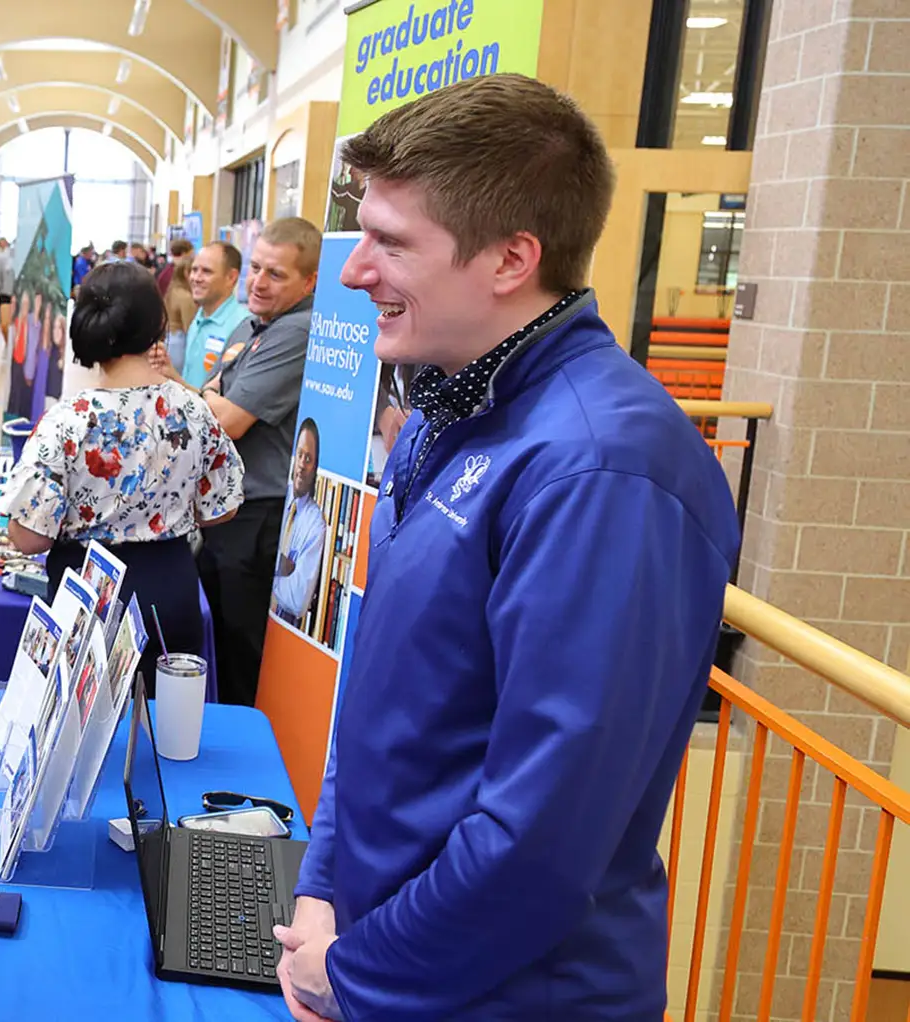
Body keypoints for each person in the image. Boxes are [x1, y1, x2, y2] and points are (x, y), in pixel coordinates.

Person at [271, 75, 740, 1022]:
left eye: (392, 243)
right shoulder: (449, 412)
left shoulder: (604, 473)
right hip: (387, 956)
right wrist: (322, 885)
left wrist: (353, 973)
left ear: (511, 259)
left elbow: (541, 839)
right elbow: (386, 695)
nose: (354, 273)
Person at [0, 261, 243, 680]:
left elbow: (28, 538)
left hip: (87, 594)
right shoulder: (193, 411)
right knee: (164, 714)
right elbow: (223, 507)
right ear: (158, 324)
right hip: (170, 590)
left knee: (79, 714)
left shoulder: (67, 421)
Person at [158, 219, 321, 706]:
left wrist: (214, 399)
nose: (259, 282)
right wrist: (212, 397)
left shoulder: (296, 332)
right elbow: (209, 393)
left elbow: (227, 419)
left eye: (276, 274)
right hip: (229, 513)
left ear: (310, 281)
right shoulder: (255, 326)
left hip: (257, 516)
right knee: (220, 645)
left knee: (240, 651)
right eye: (256, 268)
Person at [269, 420, 324, 627]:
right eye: (299, 455)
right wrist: (280, 565)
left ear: (315, 466)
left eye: (308, 459)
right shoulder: (277, 491)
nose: (301, 464)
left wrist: (266, 570)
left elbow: (298, 601)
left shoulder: (316, 524)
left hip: (283, 626)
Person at [181, 242, 248, 389]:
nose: (196, 278)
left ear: (231, 277)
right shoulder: (199, 318)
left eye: (206, 271)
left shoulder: (243, 326)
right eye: (194, 270)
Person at [163, 253, 196, 339]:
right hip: (180, 338)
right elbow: (189, 327)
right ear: (186, 273)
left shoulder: (172, 290)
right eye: (195, 270)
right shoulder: (185, 297)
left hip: (170, 335)